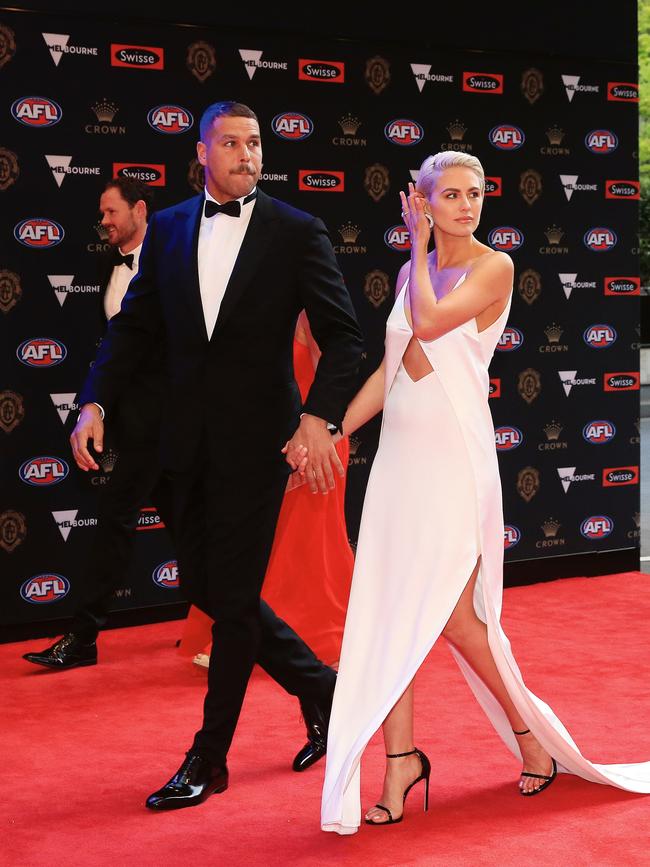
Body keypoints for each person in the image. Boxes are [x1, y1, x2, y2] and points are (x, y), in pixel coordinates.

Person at [317, 153, 650, 835]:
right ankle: (400, 760)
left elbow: (433, 326)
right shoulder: (415, 273)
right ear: (426, 199)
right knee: (389, 609)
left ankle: (529, 735)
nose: (467, 205)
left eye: (476, 194)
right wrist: (330, 431)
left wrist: (414, 239)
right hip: (399, 461)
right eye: (452, 195)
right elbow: (391, 368)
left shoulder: (493, 266)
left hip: (452, 458)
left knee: (455, 619)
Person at [69, 101, 363, 812]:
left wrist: (319, 418)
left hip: (257, 449)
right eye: (230, 142)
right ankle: (321, 687)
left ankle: (210, 756)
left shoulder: (297, 232)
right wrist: (94, 401)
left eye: (254, 142)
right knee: (217, 590)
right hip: (180, 447)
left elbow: (345, 337)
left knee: (230, 605)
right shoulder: (167, 227)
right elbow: (132, 332)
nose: (246, 153)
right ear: (202, 153)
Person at [23, 177, 175, 670]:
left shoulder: (175, 258)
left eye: (112, 212)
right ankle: (85, 635)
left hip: (180, 422)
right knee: (123, 524)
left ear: (140, 210)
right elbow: (112, 353)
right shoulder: (107, 268)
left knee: (188, 528)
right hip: (133, 425)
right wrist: (100, 408)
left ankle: (235, 628)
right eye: (102, 214)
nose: (104, 222)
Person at [181, 310, 354, 672]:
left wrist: (315, 440)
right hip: (271, 437)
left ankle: (298, 640)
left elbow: (334, 375)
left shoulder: (311, 307)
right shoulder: (262, 299)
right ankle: (255, 636)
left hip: (314, 438)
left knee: (303, 547)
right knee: (266, 542)